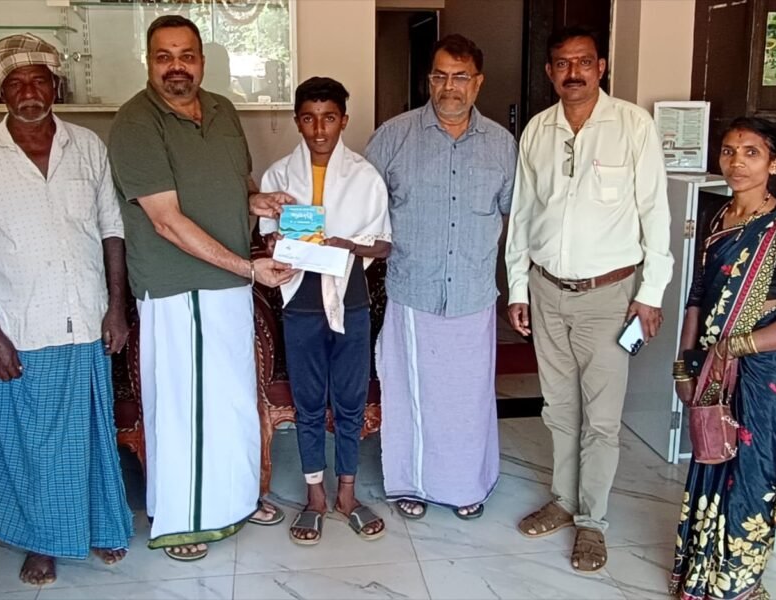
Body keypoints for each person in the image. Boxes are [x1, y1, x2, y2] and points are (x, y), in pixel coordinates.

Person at [107, 15, 295, 562]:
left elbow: (233, 185)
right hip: (179, 288)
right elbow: (165, 221)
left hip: (229, 283)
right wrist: (248, 268)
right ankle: (183, 520)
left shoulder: (221, 110)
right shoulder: (136, 123)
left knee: (232, 399)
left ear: (202, 62)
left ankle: (236, 499)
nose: (177, 67)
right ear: (149, 63)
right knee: (186, 410)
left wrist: (258, 202)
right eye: (164, 56)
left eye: (186, 55)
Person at [0, 33, 133, 585]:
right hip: (22, 324)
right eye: (15, 82)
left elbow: (112, 230)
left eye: (39, 80)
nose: (28, 92)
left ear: (56, 86)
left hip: (87, 316)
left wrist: (116, 307)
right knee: (33, 442)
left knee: (90, 432)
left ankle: (99, 524)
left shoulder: (88, 146)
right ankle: (41, 541)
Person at [505, 26, 673, 573]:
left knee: (601, 418)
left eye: (583, 62)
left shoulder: (632, 125)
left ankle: (592, 522)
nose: (572, 72)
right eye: (562, 63)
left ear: (601, 67)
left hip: (610, 295)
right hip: (547, 290)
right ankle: (563, 500)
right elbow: (523, 216)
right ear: (550, 71)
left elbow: (656, 213)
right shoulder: (538, 130)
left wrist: (650, 294)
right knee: (558, 409)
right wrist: (518, 287)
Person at [365, 34, 516, 522]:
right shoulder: (394, 136)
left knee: (467, 400)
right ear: (428, 80)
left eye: (460, 77)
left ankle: (466, 485)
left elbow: (513, 218)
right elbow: (362, 207)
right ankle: (411, 483)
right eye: (440, 76)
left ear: (478, 82)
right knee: (412, 394)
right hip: (413, 290)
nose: (449, 87)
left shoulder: (502, 144)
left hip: (472, 293)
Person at [670, 117, 776, 600]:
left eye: (751, 152)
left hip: (762, 376)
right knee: (712, 457)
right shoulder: (719, 218)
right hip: (713, 371)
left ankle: (738, 586)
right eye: (729, 151)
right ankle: (701, 577)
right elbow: (697, 296)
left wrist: (737, 345)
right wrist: (684, 365)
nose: (737, 162)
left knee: (751, 474)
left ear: (775, 163)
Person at [258, 77, 392, 545]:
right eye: (310, 119)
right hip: (301, 301)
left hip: (350, 299)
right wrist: (275, 242)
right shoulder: (278, 176)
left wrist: (346, 244)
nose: (319, 129)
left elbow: (384, 245)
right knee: (309, 401)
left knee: (350, 400)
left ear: (344, 121)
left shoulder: (364, 176)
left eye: (329, 118)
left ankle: (347, 495)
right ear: (297, 121)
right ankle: (315, 495)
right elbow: (268, 239)